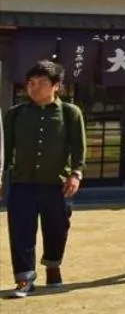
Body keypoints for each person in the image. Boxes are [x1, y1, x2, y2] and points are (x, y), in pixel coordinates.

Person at [3, 60, 86, 297]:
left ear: (56, 86)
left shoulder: (71, 113)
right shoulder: (16, 114)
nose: (34, 88)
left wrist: (75, 174)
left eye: (41, 83)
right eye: (31, 83)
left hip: (57, 184)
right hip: (22, 183)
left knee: (57, 228)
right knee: (20, 231)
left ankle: (53, 266)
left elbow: (79, 148)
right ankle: (24, 279)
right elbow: (6, 150)